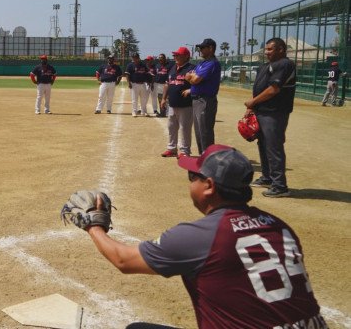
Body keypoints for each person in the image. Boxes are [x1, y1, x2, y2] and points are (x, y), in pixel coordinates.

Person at [75, 145, 326, 329]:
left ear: (209, 186)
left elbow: (123, 260)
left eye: (192, 177)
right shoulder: (280, 227)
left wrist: (92, 225)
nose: (189, 183)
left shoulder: (201, 236)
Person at [245, 38, 296, 198]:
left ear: (281, 49)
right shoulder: (265, 66)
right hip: (262, 111)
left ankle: (280, 186)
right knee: (264, 145)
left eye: (270, 49)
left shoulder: (285, 64)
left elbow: (274, 89)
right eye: (266, 49)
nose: (266, 52)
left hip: (275, 112)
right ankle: (267, 177)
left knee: (274, 147)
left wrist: (253, 102)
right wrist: (251, 107)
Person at [184, 38, 222, 155]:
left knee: (205, 132)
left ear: (210, 48)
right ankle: (203, 156)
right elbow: (187, 76)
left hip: (205, 100)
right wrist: (192, 78)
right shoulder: (202, 63)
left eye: (202, 48)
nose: (200, 50)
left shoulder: (212, 63)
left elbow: (194, 79)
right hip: (196, 100)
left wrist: (193, 77)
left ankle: (209, 158)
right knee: (198, 132)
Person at [160, 47, 194, 158]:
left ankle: (185, 151)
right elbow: (167, 84)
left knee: (185, 128)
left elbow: (198, 84)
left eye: (178, 55)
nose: (175, 57)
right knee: (171, 127)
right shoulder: (173, 68)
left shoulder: (191, 69)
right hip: (172, 104)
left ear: (186, 56)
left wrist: (191, 90)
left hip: (186, 105)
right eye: (175, 55)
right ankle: (172, 149)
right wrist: (164, 98)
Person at [125, 53, 150, 117]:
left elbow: (147, 74)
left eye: (136, 57)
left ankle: (143, 111)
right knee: (134, 99)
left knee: (143, 99)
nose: (134, 58)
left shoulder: (143, 65)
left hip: (143, 84)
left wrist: (148, 82)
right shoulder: (130, 65)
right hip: (134, 84)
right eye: (133, 57)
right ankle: (134, 111)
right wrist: (129, 83)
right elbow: (127, 74)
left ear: (138, 57)